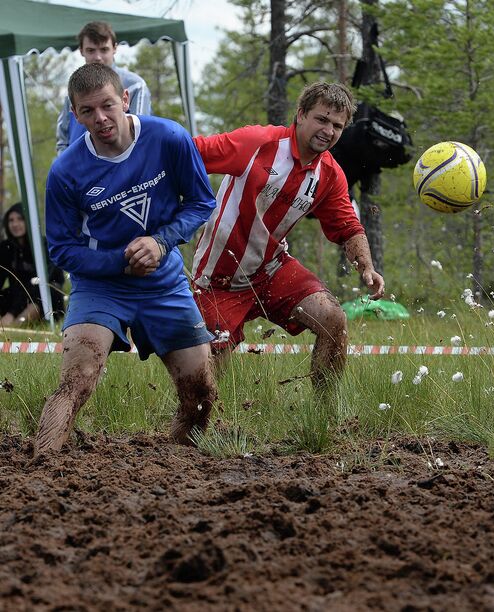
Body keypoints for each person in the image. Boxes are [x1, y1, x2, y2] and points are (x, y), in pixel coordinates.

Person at [37, 62, 217, 456]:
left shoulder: (168, 137)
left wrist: (161, 241)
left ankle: (181, 469)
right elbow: (62, 249)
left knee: (201, 393)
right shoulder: (66, 171)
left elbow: (203, 201)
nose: (100, 119)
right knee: (77, 380)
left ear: (124, 99)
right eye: (87, 111)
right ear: (75, 115)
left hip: (164, 281)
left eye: (106, 106)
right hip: (101, 285)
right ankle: (42, 466)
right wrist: (122, 261)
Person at [191, 82, 385, 393]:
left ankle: (325, 416)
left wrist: (367, 266)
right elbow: (191, 152)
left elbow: (348, 225)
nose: (328, 131)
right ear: (301, 114)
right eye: (322, 119)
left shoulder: (330, 174)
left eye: (337, 125)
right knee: (206, 380)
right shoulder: (258, 142)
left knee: (333, 319)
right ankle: (194, 433)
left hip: (271, 269)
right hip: (217, 279)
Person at [55, 21, 151, 154]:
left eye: (104, 49)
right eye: (91, 50)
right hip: (81, 170)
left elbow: (140, 135)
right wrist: (69, 169)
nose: (98, 57)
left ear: (114, 48)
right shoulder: (74, 90)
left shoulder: (135, 85)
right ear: (81, 51)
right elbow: (63, 140)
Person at [0, 203, 65, 326]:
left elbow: (43, 281)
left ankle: (15, 325)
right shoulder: (6, 248)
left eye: (20, 219)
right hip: (16, 297)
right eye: (11, 220)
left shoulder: (44, 246)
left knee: (44, 291)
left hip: (43, 297)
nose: (15, 224)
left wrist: (12, 314)